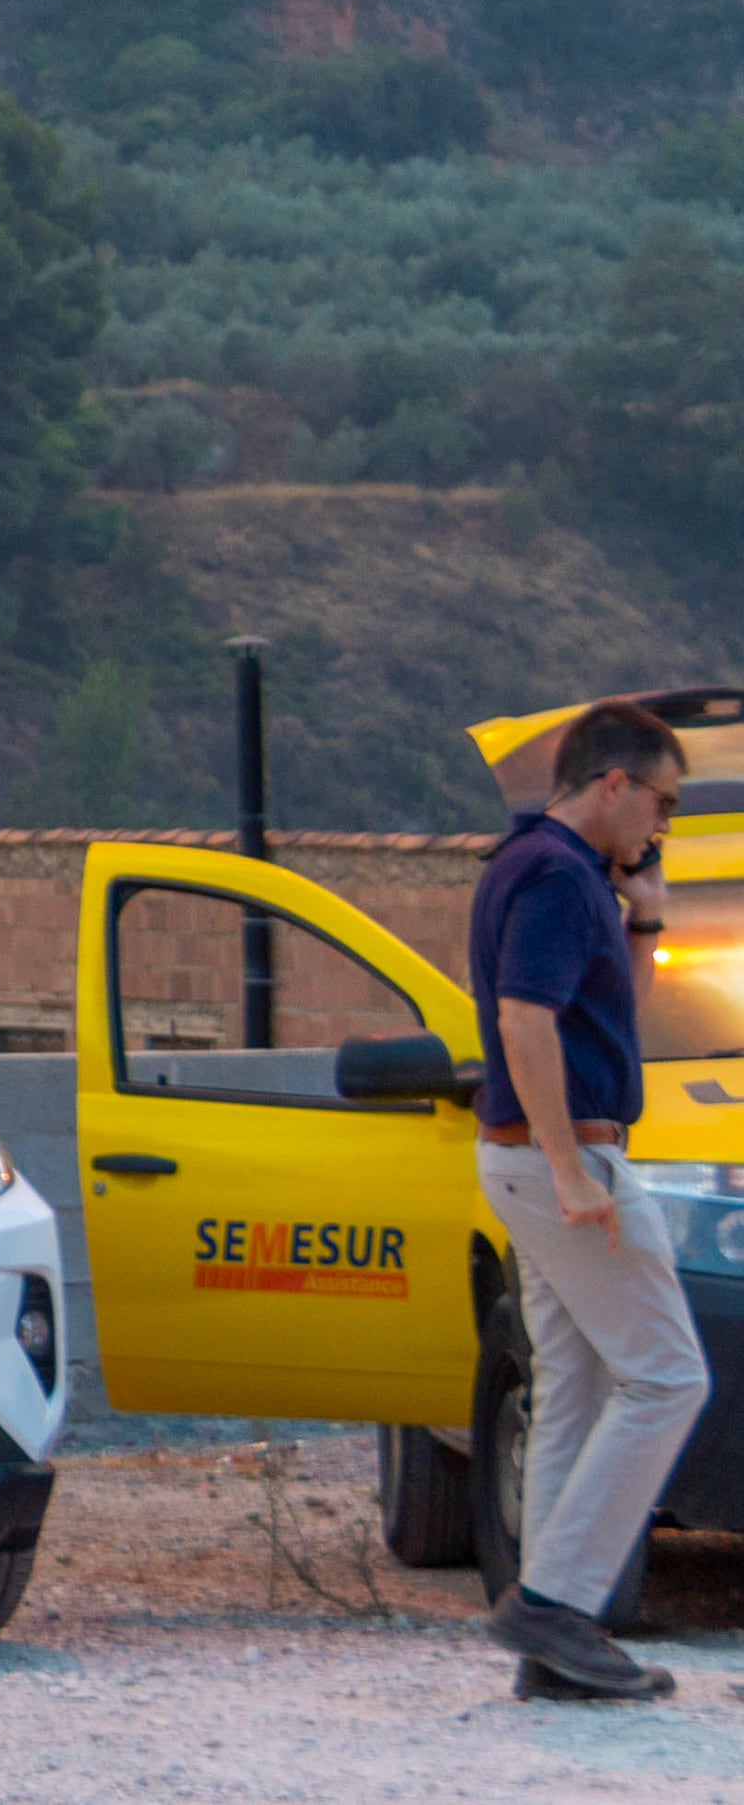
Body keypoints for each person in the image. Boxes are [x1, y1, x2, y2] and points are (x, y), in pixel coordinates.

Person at [470, 695, 705, 1705]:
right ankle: (555, 1604)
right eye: (660, 801)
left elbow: (596, 1016)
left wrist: (641, 915)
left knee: (574, 1381)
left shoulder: (537, 870)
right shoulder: (558, 878)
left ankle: (551, 1632)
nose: (661, 823)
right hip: (559, 1157)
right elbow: (524, 1022)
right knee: (664, 1376)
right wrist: (571, 1168)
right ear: (612, 781)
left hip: (524, 1154)